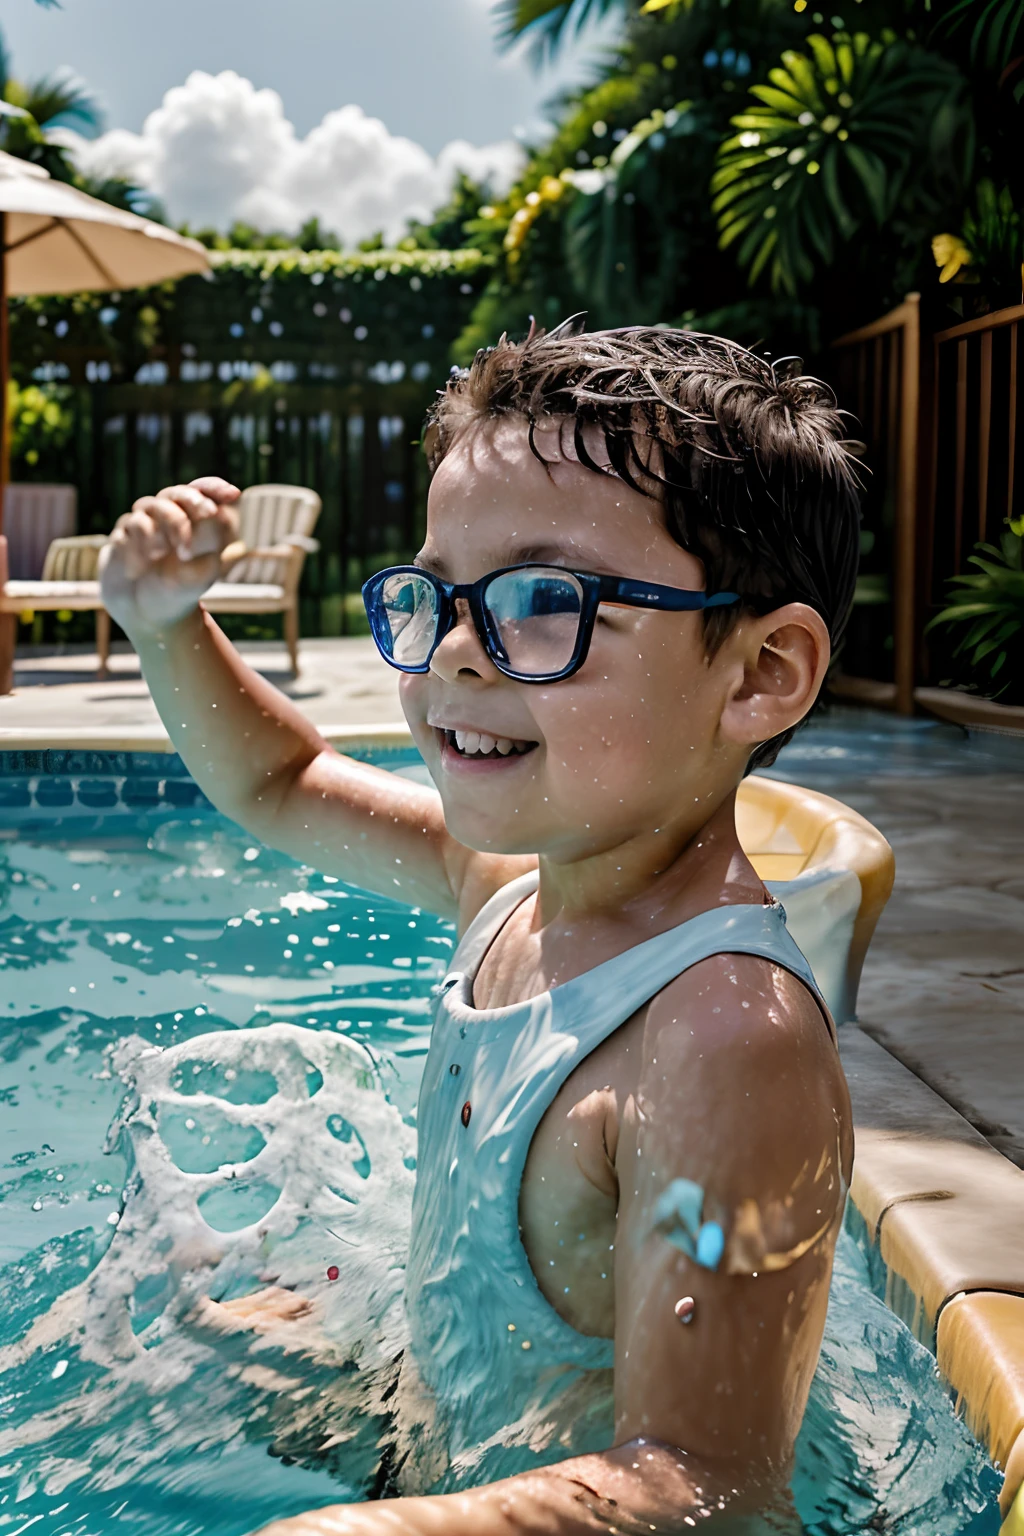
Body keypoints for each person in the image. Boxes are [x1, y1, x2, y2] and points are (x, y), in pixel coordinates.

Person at [99, 321, 859, 1535]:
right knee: (169, 1333)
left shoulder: (720, 1038)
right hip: (450, 1434)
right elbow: (278, 785)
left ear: (759, 672)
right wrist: (163, 623)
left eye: (543, 602)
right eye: (438, 596)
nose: (455, 650)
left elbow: (704, 1486)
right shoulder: (503, 878)